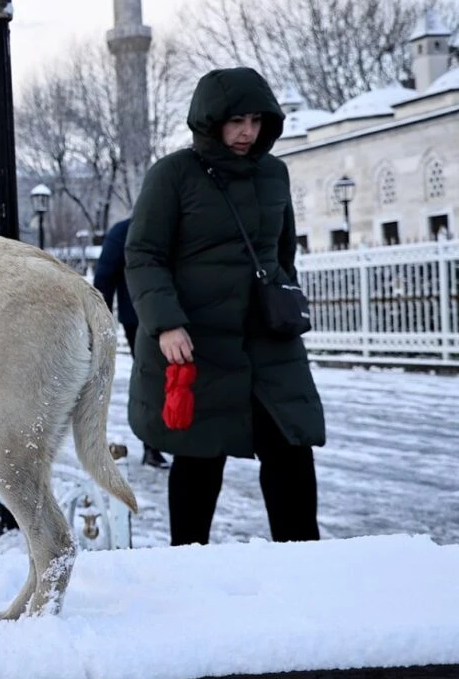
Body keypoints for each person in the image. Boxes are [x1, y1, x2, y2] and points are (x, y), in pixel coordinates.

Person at [125, 67, 325, 546]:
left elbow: (281, 254)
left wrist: (285, 302)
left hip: (267, 341)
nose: (247, 132)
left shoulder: (274, 173)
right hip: (197, 341)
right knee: (199, 458)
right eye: (236, 120)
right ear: (210, 120)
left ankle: (306, 567)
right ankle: (188, 567)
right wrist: (167, 323)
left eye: (256, 120)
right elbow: (143, 254)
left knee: (291, 448)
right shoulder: (173, 174)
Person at [93, 217, 169, 469]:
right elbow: (105, 276)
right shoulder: (127, 231)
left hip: (146, 315)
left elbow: (104, 276)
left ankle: (159, 442)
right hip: (142, 319)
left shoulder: (129, 229)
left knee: (158, 378)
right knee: (155, 378)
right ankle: (153, 443)